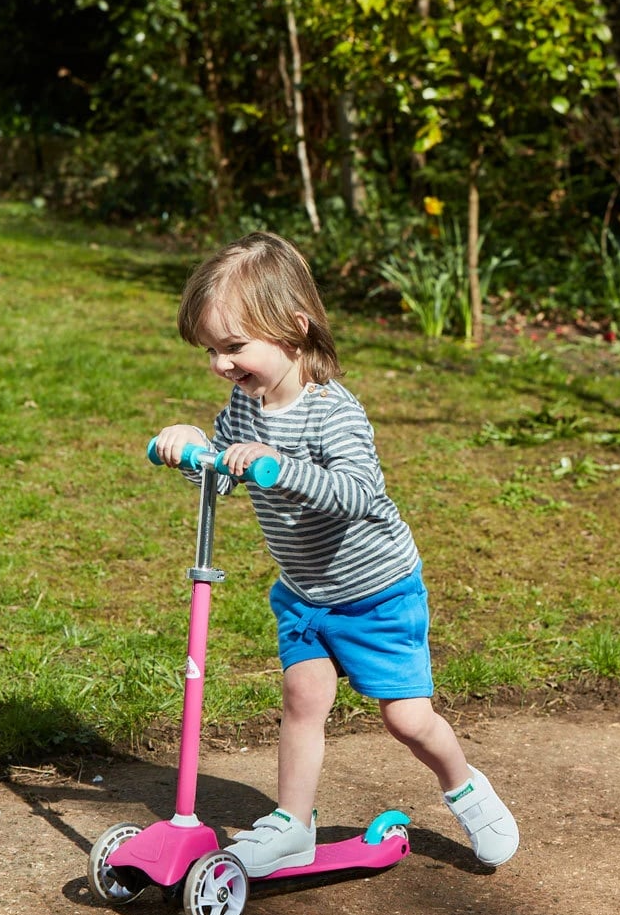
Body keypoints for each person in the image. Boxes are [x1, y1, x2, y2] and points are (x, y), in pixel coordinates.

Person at [154, 231, 519, 877]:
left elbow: (356, 493)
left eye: (234, 347)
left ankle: (465, 787)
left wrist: (280, 465)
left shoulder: (333, 413)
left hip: (377, 592)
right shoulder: (243, 408)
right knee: (302, 700)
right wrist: (191, 448)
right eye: (211, 350)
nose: (219, 364)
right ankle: (292, 824)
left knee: (407, 720)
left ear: (295, 329)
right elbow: (224, 472)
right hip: (305, 595)